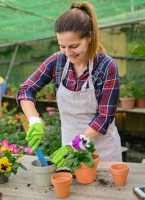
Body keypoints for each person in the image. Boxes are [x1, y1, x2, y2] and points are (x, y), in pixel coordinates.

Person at [16, 2, 122, 167]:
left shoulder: (106, 67)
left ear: (89, 37)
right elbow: (26, 90)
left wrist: (76, 146)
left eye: (74, 46)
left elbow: (104, 118)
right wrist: (34, 120)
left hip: (103, 152)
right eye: (62, 46)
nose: (68, 53)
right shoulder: (57, 61)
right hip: (67, 154)